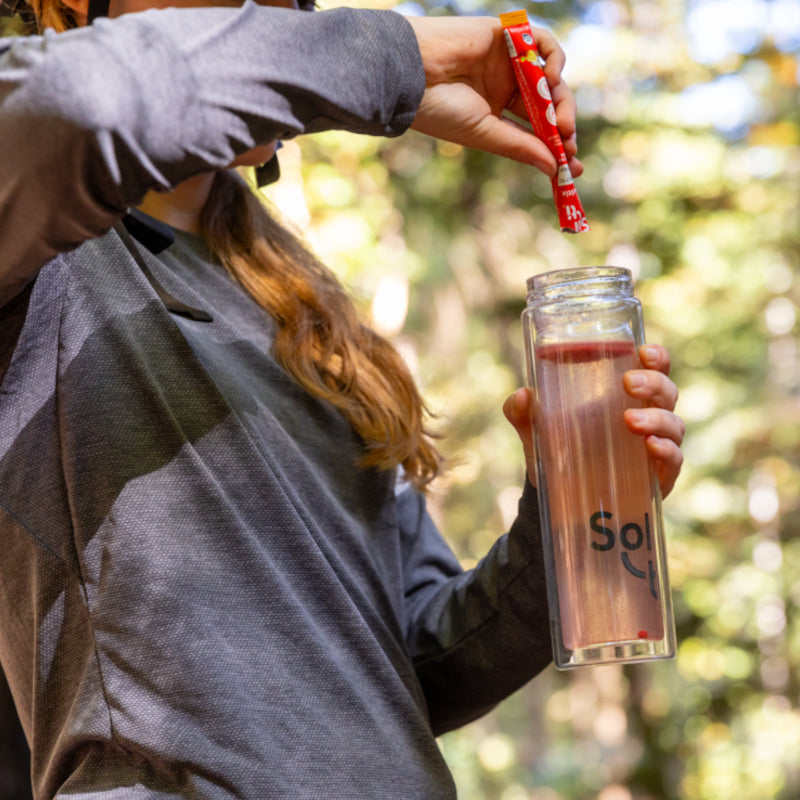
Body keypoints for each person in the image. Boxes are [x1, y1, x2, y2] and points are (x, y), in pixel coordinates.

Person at [0, 0, 685, 797]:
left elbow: (422, 665)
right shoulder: (47, 253)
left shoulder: (310, 312)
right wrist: (397, 58)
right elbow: (78, 104)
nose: (274, 13)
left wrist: (565, 509)